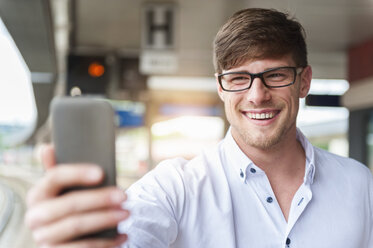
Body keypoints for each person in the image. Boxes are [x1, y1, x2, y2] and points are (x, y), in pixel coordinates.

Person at [26, 8, 373, 248]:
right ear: (221, 88)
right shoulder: (174, 188)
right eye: (238, 79)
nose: (257, 95)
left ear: (304, 80)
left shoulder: (361, 186)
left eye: (276, 75)